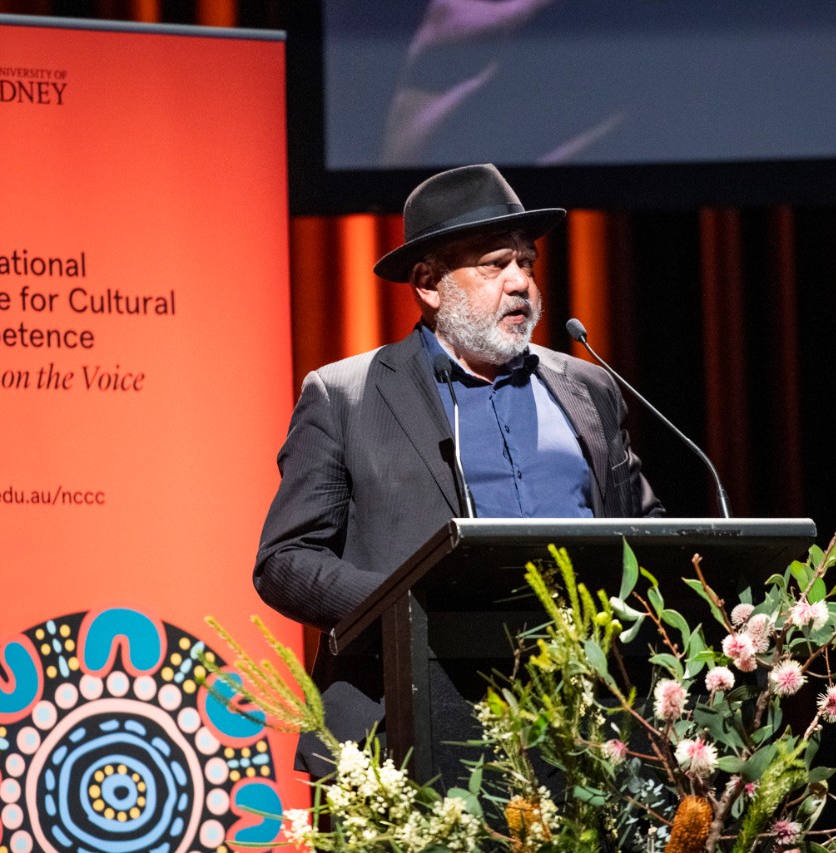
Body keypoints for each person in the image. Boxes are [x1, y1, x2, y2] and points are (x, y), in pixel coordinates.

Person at [253, 163, 663, 776]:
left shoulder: (587, 387)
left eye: (526, 262)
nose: (521, 282)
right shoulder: (348, 397)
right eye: (496, 265)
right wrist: (406, 608)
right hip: (411, 720)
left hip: (582, 725)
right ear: (428, 284)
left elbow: (647, 533)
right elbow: (284, 561)